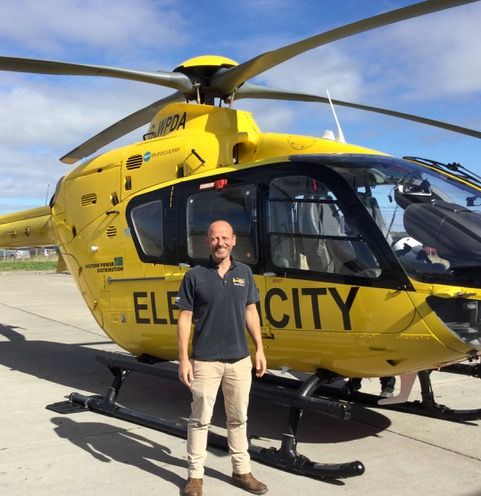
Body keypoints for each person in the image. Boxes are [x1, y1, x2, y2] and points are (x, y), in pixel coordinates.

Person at [176, 220, 268, 496]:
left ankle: (241, 471)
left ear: (234, 240)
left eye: (225, 238)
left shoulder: (245, 273)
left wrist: (259, 349)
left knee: (238, 418)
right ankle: (195, 477)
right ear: (208, 241)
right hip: (205, 360)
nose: (220, 243)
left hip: (240, 360)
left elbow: (251, 311)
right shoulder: (194, 275)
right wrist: (183, 358)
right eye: (215, 238)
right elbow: (184, 318)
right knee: (200, 419)